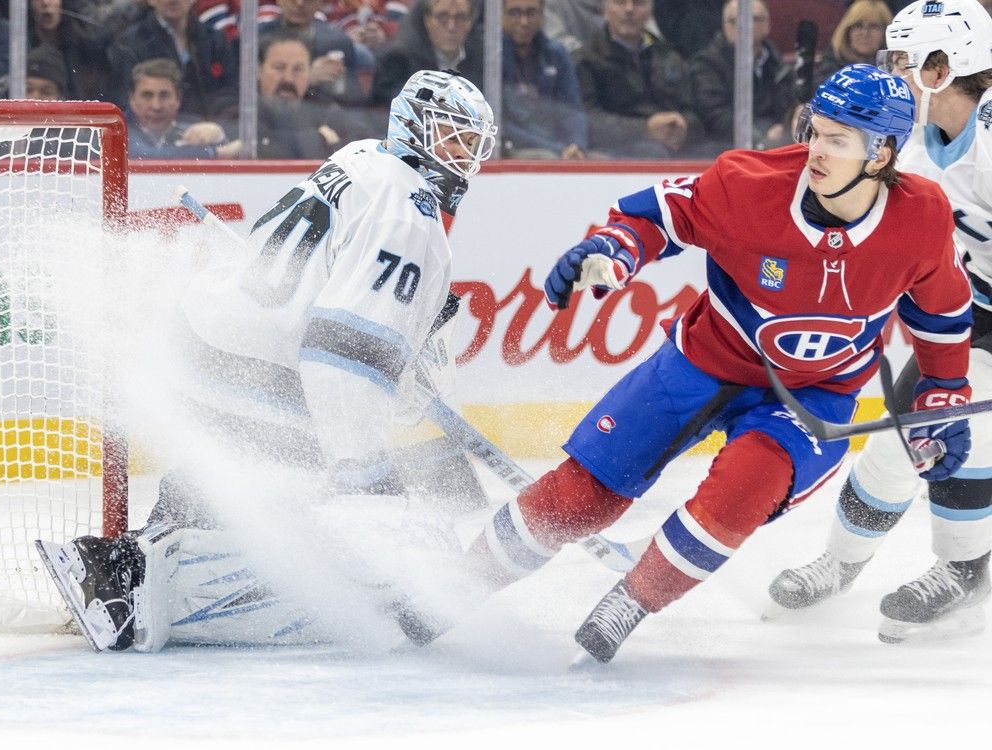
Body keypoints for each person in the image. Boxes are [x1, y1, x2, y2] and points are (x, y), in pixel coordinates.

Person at [397, 64, 976, 664]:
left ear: (881, 153)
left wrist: (942, 392)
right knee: (583, 496)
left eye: (837, 140)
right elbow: (654, 218)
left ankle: (633, 600)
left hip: (813, 398)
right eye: (815, 130)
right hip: (702, 363)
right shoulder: (750, 184)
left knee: (742, 492)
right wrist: (612, 253)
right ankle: (457, 588)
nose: (815, 151)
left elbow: (944, 315)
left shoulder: (922, 217)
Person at [37, 69, 497, 653]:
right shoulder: (410, 213)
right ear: (413, 127)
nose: (465, 155)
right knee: (361, 497)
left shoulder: (362, 158)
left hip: (209, 339)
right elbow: (342, 350)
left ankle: (136, 556)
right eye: (451, 136)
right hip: (256, 366)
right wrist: (362, 473)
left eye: (473, 141)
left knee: (241, 471)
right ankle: (123, 572)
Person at [767, 0, 992, 644]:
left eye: (902, 61)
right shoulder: (910, 136)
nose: (890, 74)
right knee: (904, 439)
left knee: (959, 435)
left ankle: (964, 575)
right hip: (967, 313)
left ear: (946, 67)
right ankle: (840, 564)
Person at [575, 0, 702, 158]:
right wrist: (644, 129)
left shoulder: (669, 56)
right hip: (615, 151)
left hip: (673, 146)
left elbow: (696, 111)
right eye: (620, 2)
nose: (629, 9)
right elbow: (588, 120)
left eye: (639, 3)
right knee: (653, 152)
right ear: (605, 10)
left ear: (651, 11)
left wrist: (683, 126)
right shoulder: (586, 60)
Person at [252, 31, 380, 159]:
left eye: (298, 69)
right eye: (279, 67)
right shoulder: (243, 109)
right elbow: (251, 144)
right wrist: (321, 139)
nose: (288, 79)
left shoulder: (319, 106)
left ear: (310, 72)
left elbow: (370, 145)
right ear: (259, 70)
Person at [690, 0, 796, 151]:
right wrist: (759, 139)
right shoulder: (706, 65)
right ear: (724, 25)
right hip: (723, 148)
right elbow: (714, 115)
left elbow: (789, 108)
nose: (745, 26)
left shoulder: (779, 67)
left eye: (754, 19)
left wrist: (783, 129)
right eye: (735, 20)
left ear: (768, 25)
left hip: (774, 146)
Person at [108, 0, 239, 120]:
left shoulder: (216, 40)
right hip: (152, 137)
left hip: (209, 133)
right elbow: (124, 101)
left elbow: (231, 93)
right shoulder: (128, 44)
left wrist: (216, 127)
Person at [500, 0, 588, 159]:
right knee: (546, 156)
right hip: (512, 150)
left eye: (531, 13)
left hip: (561, 149)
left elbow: (572, 111)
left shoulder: (556, 55)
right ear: (501, 14)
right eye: (515, 13)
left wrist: (577, 144)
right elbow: (500, 123)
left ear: (542, 15)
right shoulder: (490, 56)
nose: (524, 21)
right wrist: (559, 149)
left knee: (602, 160)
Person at [371, 0, 484, 104]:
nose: (451, 27)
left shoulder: (485, 58)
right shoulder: (399, 59)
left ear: (471, 21)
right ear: (426, 20)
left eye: (461, 17)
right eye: (442, 16)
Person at [126, 58, 242, 159]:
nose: (156, 106)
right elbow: (145, 155)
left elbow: (235, 150)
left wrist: (219, 136)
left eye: (164, 95)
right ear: (132, 98)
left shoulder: (196, 127)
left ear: (178, 98)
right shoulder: (117, 132)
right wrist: (214, 153)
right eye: (147, 95)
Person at [814, 0, 893, 86]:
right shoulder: (823, 75)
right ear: (847, 31)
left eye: (873, 26)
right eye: (858, 25)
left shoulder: (896, 75)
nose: (864, 33)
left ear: (886, 33)